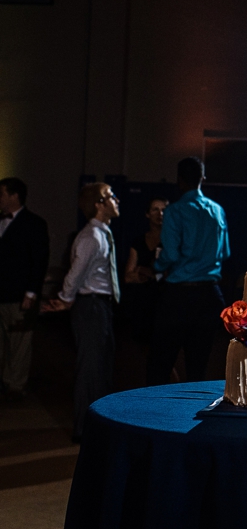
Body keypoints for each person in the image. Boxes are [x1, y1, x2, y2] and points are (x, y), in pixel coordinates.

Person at [43, 183, 121, 442]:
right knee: (90, 370)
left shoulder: (103, 233)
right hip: (91, 306)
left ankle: (98, 425)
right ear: (99, 204)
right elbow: (75, 274)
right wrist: (65, 299)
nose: (116, 200)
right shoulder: (91, 237)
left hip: (100, 306)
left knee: (100, 368)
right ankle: (85, 430)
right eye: (111, 196)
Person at [146, 157, 229, 386]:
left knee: (161, 363)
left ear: (179, 181)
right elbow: (224, 253)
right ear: (203, 179)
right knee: (198, 366)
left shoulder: (175, 211)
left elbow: (170, 256)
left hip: (178, 297)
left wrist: (155, 267)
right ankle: (192, 418)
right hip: (210, 296)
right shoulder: (217, 211)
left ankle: (154, 417)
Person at [0, 177, 50, 401]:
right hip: (1, 292)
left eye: (2, 194)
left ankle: (15, 384)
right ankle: (4, 380)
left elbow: (39, 261)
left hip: (20, 294)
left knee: (20, 342)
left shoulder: (34, 223)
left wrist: (31, 293)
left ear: (14, 196)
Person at [122, 198, 168, 343]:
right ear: (147, 214)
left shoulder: (172, 241)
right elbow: (128, 276)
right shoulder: (138, 242)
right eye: (155, 209)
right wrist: (145, 274)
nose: (160, 214)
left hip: (165, 302)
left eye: (163, 210)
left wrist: (147, 271)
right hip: (143, 302)